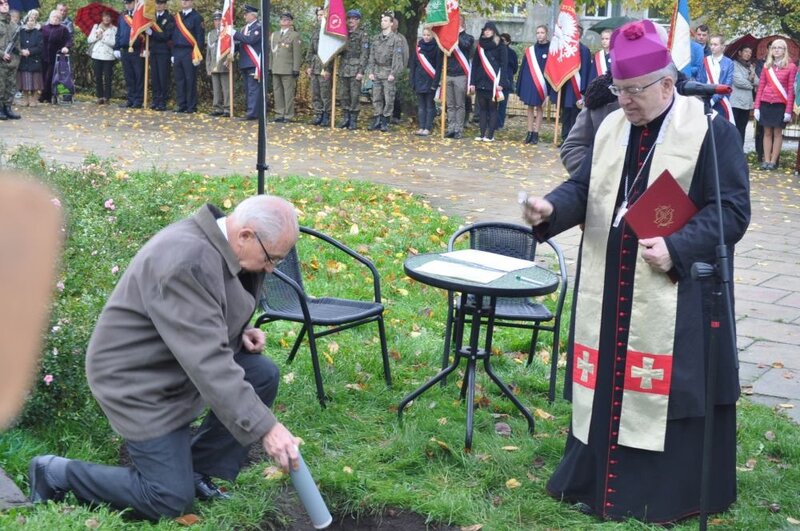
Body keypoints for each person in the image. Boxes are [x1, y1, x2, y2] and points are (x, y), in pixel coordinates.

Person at [523, 19, 750, 524]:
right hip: (611, 287)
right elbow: (584, 188)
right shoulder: (612, 127)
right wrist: (550, 209)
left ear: (667, 85)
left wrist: (677, 247)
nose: (623, 100)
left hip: (677, 294)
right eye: (619, 90)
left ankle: (661, 493)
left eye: (634, 91)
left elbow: (732, 211)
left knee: (663, 391)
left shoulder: (711, 130)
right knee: (610, 381)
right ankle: (595, 479)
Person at [28, 195, 304, 521]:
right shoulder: (187, 260)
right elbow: (209, 363)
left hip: (172, 364)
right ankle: (55, 473)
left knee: (261, 375)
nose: (271, 268)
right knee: (168, 500)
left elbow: (199, 314)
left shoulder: (223, 246)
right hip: (137, 381)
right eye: (271, 258)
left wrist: (236, 330)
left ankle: (196, 471)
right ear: (245, 235)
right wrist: (267, 428)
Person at [753, 39, 797, 170]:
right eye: (774, 48)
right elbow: (761, 87)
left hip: (780, 104)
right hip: (766, 103)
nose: (776, 50)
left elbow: (791, 91)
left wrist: (788, 110)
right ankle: (766, 160)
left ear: (784, 50)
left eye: (779, 48)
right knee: (766, 132)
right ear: (771, 50)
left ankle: (773, 162)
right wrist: (757, 107)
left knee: (777, 133)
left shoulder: (791, 67)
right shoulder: (767, 66)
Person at [517, 24, 554, 144]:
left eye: (542, 33)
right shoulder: (531, 50)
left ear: (546, 34)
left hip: (543, 85)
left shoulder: (551, 49)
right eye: (538, 33)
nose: (539, 35)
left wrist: (549, 89)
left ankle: (536, 133)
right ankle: (529, 132)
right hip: (531, 83)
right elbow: (524, 68)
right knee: (530, 107)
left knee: (539, 107)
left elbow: (552, 70)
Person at [469, 21, 506, 142]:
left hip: (494, 82)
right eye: (485, 30)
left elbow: (504, 65)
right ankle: (482, 134)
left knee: (492, 108)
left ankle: (490, 135)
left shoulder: (500, 45)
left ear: (494, 31)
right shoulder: (480, 45)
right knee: (482, 109)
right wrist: (472, 82)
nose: (487, 32)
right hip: (481, 81)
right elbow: (475, 65)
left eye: (489, 30)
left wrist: (501, 83)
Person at [367, 12, 404, 132]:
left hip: (388, 72)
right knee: (376, 97)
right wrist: (371, 71)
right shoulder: (376, 38)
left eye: (386, 21)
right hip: (377, 71)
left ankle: (385, 120)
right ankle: (377, 119)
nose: (383, 23)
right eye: (382, 20)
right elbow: (371, 56)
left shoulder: (396, 39)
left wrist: (393, 73)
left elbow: (397, 58)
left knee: (389, 98)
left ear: (391, 23)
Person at [335, 9, 368, 130]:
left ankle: (353, 119)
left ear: (358, 21)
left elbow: (364, 54)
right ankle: (346, 118)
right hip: (344, 68)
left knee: (354, 95)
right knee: (343, 95)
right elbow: (338, 51)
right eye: (349, 18)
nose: (351, 21)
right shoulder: (343, 34)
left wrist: (361, 71)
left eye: (354, 19)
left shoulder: (362, 35)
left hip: (355, 69)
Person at [559, 24, 592, 142]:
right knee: (565, 114)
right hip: (566, 86)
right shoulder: (565, 48)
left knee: (575, 114)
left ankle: (573, 139)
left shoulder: (584, 50)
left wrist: (583, 90)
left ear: (580, 35)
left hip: (577, 88)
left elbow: (586, 70)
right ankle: (564, 138)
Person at [444, 15, 473, 139]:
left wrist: (455, 35)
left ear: (463, 24)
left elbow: (465, 46)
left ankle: (458, 129)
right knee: (450, 105)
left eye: (458, 22)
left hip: (460, 75)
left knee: (459, 104)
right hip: (449, 73)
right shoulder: (448, 37)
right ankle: (451, 128)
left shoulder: (468, 37)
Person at [172, 0, 204, 114]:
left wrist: (197, 54)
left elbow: (200, 37)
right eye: (183, 0)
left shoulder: (197, 17)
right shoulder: (177, 17)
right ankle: (182, 104)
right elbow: (173, 36)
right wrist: (172, 53)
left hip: (190, 52)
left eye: (187, 0)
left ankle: (191, 106)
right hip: (177, 51)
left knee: (190, 79)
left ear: (192, 2)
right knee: (179, 80)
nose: (184, 2)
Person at [231, 4, 261, 121]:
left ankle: (252, 113)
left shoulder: (258, 27)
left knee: (253, 90)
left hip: (253, 62)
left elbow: (250, 40)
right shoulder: (244, 28)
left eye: (246, 14)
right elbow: (241, 44)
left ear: (253, 15)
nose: (244, 16)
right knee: (248, 89)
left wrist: (234, 33)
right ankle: (250, 111)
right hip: (244, 62)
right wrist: (231, 48)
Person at [409, 27, 441, 136]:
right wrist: (412, 81)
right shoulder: (418, 47)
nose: (426, 37)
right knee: (421, 106)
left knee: (429, 105)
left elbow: (438, 67)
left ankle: (428, 127)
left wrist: (435, 83)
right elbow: (413, 65)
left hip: (430, 81)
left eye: (428, 35)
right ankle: (421, 127)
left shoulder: (437, 48)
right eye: (424, 35)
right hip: (419, 80)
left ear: (432, 36)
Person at [270, 12, 301, 123]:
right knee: (277, 92)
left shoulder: (294, 35)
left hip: (288, 69)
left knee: (288, 93)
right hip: (276, 68)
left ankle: (288, 115)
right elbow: (271, 52)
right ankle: (279, 113)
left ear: (291, 22)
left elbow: (297, 53)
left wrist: (296, 68)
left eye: (287, 19)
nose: (284, 21)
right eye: (282, 19)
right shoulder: (275, 35)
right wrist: (270, 66)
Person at [696, 35, 734, 123]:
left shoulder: (729, 63)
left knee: (721, 127)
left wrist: (714, 99)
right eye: (711, 44)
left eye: (715, 44)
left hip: (722, 101)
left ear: (722, 47)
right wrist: (704, 97)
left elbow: (727, 84)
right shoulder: (705, 61)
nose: (712, 47)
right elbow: (700, 80)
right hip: (706, 99)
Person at [114, 0, 144, 108]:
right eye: (126, 3)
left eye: (130, 2)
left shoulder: (140, 15)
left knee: (138, 76)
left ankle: (138, 100)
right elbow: (118, 33)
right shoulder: (122, 16)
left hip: (137, 50)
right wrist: (116, 47)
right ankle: (130, 99)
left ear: (135, 3)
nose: (128, 5)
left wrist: (146, 48)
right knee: (128, 76)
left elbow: (144, 34)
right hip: (125, 50)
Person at [306, 6, 332, 126]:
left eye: (322, 14)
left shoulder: (330, 32)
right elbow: (310, 50)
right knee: (315, 93)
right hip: (315, 65)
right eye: (318, 15)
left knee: (325, 94)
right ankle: (318, 114)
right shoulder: (316, 31)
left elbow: (332, 53)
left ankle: (326, 115)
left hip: (324, 66)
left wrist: (328, 69)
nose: (320, 17)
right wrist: (309, 65)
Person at [39, 9, 70, 104]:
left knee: (50, 76)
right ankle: (43, 94)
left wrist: (66, 47)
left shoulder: (63, 29)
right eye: (54, 17)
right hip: (43, 55)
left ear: (60, 19)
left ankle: (47, 95)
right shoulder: (44, 28)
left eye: (58, 17)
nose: (55, 18)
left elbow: (68, 40)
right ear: (50, 17)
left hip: (55, 56)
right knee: (43, 75)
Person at [149, 0, 174, 111]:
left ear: (165, 5)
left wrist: (152, 33)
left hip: (164, 51)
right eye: (157, 3)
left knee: (163, 77)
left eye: (161, 3)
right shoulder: (151, 17)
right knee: (154, 77)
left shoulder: (169, 18)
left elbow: (166, 36)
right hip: (153, 51)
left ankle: (162, 101)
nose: (158, 5)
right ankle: (155, 100)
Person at [86, 11, 116, 105]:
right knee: (98, 76)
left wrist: (102, 37)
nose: (106, 18)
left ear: (111, 18)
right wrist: (97, 36)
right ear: (102, 18)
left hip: (108, 56)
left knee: (108, 77)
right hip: (97, 55)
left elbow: (114, 43)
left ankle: (107, 97)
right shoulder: (96, 27)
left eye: (108, 17)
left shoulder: (114, 29)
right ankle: (99, 97)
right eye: (104, 16)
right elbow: (89, 40)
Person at [730, 45, 757, 146]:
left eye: (750, 53)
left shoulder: (750, 67)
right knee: (733, 127)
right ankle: (731, 150)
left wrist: (752, 75)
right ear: (740, 52)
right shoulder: (734, 64)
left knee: (742, 128)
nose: (748, 54)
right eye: (746, 51)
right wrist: (751, 84)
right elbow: (738, 82)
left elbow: (757, 81)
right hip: (735, 102)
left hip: (746, 103)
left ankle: (740, 150)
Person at [17, 8, 43, 108]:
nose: (30, 22)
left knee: (36, 83)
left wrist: (30, 51)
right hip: (23, 60)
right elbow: (17, 44)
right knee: (24, 81)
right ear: (26, 21)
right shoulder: (21, 32)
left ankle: (34, 99)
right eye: (29, 20)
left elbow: (40, 47)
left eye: (33, 21)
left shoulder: (39, 33)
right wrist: (21, 51)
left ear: (35, 22)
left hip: (35, 60)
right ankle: (25, 99)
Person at [205, 11, 229, 117]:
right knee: (216, 89)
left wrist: (229, 61)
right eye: (215, 20)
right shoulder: (211, 34)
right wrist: (208, 67)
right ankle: (217, 108)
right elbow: (208, 53)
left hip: (224, 65)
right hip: (214, 65)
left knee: (226, 88)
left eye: (219, 20)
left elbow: (231, 49)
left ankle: (227, 108)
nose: (217, 22)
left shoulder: (227, 33)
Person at [0, 0, 20, 120]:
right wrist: (2, 54)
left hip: (11, 62)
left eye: (6, 3)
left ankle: (7, 108)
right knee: (0, 86)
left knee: (10, 86)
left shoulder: (13, 24)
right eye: (1, 3)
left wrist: (18, 55)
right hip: (1, 61)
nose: (4, 6)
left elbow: (17, 44)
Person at [497, 32, 518, 130]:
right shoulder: (496, 51)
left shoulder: (512, 53)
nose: (501, 42)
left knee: (502, 103)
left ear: (508, 42)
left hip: (506, 81)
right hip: (496, 80)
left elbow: (515, 68)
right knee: (493, 103)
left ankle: (500, 123)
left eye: (503, 40)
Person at [390, 16, 408, 125]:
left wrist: (403, 69)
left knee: (396, 94)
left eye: (395, 24)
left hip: (397, 70)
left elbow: (405, 55)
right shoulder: (383, 37)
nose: (393, 26)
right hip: (385, 69)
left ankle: (396, 115)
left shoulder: (401, 38)